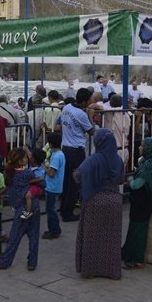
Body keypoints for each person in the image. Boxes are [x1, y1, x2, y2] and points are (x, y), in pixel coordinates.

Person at [74, 129, 123, 279]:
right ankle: (112, 271)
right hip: (114, 202)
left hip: (94, 201)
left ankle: (90, 270)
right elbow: (121, 179)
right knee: (111, 238)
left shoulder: (92, 160)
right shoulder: (118, 160)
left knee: (92, 237)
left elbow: (78, 176)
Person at [0, 148, 43, 271]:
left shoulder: (10, 173)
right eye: (24, 157)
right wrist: (32, 188)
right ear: (20, 161)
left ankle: (4, 262)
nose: (27, 159)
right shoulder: (27, 173)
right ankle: (32, 262)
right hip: (34, 206)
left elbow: (7, 187)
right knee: (33, 235)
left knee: (15, 236)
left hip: (22, 209)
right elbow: (42, 184)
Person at [121, 137, 152, 270]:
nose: (139, 148)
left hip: (142, 202)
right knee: (137, 228)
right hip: (146, 200)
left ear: (149, 149)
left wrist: (129, 182)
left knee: (138, 230)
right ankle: (129, 254)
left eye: (142, 146)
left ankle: (136, 259)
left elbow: (137, 185)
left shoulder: (148, 166)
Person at [59, 88, 95, 222]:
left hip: (65, 148)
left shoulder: (67, 107)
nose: (90, 102)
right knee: (74, 183)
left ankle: (63, 209)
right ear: (84, 102)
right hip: (76, 151)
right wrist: (90, 115)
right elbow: (91, 132)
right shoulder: (81, 114)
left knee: (66, 181)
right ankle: (68, 213)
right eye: (89, 100)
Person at [42, 132, 65, 239]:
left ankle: (54, 230)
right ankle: (54, 229)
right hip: (55, 186)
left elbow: (51, 173)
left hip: (52, 187)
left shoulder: (56, 157)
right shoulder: (59, 154)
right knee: (51, 209)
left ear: (51, 144)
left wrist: (43, 166)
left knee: (50, 210)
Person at [20, 149, 46, 220]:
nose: (29, 157)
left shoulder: (40, 170)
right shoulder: (33, 165)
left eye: (31, 156)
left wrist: (29, 181)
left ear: (33, 159)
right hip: (32, 186)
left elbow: (40, 179)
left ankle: (28, 212)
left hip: (37, 187)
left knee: (28, 195)